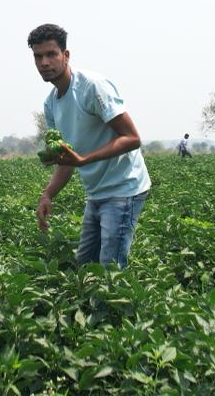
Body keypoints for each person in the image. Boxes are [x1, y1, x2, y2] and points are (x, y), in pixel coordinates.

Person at [30, 23, 152, 268]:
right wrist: (47, 194)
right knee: (85, 265)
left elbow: (132, 138)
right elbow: (67, 161)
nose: (44, 62)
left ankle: (117, 294)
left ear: (66, 55)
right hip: (96, 192)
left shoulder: (92, 87)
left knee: (110, 266)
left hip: (124, 187)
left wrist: (84, 160)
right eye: (38, 56)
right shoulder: (51, 104)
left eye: (51, 54)